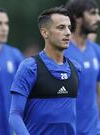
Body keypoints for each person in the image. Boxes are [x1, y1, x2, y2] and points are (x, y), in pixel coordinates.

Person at [9, 7, 81, 135]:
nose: (68, 32)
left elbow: (73, 115)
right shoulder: (30, 67)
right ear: (45, 33)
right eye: (61, 27)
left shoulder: (76, 68)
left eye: (69, 27)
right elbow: (15, 115)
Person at [65, 0, 100, 134]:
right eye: (92, 14)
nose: (99, 18)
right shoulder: (61, 51)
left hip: (95, 131)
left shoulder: (98, 52)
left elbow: (99, 94)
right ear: (77, 17)